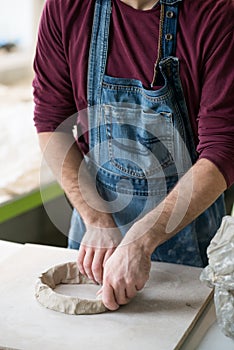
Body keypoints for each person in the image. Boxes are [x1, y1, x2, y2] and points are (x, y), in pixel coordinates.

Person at [33, 0, 234, 311]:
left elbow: (223, 149)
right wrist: (96, 218)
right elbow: (51, 123)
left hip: (188, 229)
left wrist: (141, 239)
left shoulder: (216, 13)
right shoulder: (66, 7)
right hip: (94, 227)